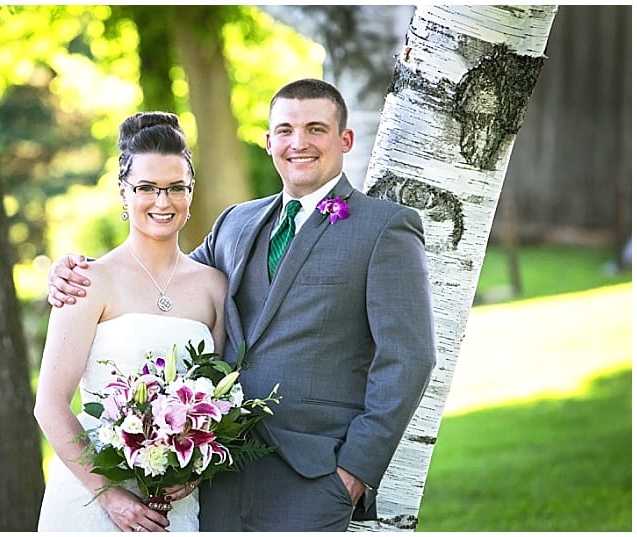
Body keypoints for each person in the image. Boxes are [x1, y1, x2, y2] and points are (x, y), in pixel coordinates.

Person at [46, 78, 436, 531]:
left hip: (314, 476)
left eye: (316, 129)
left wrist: (354, 473)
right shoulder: (237, 222)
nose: (299, 143)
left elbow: (409, 358)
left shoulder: (384, 228)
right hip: (217, 481)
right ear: (268, 141)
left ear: (344, 139)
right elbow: (162, 286)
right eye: (285, 130)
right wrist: (74, 271)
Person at [34, 111, 227, 532]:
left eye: (176, 188)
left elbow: (220, 400)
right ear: (123, 192)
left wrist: (194, 470)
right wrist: (112, 496)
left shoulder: (214, 288)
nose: (163, 201)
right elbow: (49, 404)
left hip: (173, 506)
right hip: (91, 503)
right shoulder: (86, 281)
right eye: (147, 188)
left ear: (191, 192)